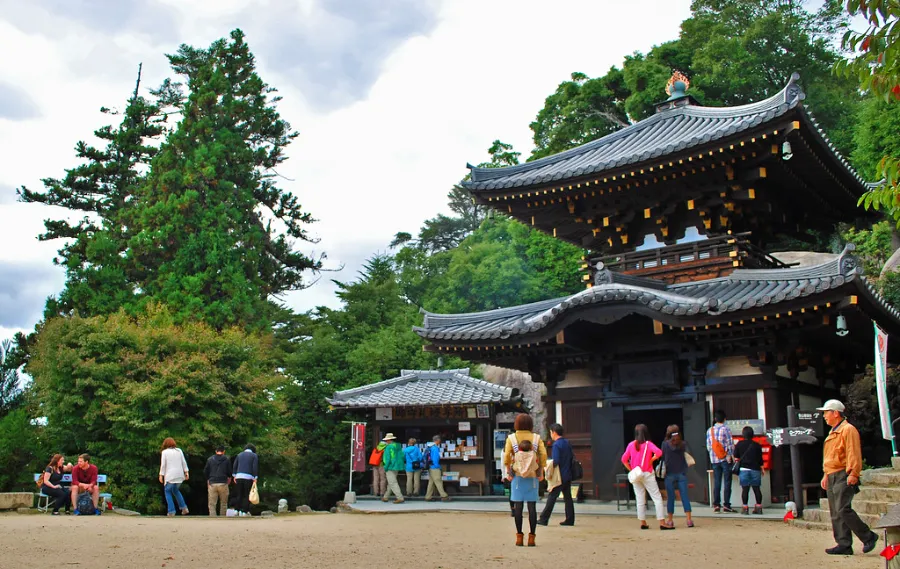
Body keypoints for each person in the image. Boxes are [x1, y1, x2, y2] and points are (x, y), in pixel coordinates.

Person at [818, 399, 879, 555]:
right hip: (832, 473)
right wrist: (826, 474)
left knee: (843, 509)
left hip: (842, 473)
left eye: (826, 412)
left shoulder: (848, 429)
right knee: (835, 512)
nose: (824, 416)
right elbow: (829, 456)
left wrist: (853, 473)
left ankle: (868, 536)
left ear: (835, 413)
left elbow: (853, 452)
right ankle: (843, 543)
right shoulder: (834, 431)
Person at [503, 413, 547, 547]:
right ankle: (532, 537)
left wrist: (508, 470)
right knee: (532, 507)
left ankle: (519, 537)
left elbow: (506, 457)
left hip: (517, 477)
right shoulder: (536, 438)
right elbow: (543, 454)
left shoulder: (511, 438)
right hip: (532, 477)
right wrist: (541, 471)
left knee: (518, 507)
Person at [622, 424, 670, 530]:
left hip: (637, 475)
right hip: (647, 473)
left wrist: (632, 469)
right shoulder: (648, 444)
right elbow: (659, 452)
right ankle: (662, 522)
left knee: (639, 499)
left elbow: (624, 459)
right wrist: (652, 460)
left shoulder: (631, 445)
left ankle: (643, 522)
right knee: (656, 497)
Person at [537, 423, 574, 527]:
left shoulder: (556, 445)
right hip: (568, 473)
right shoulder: (567, 442)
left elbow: (556, 460)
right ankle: (570, 519)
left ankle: (544, 519)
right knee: (568, 498)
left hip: (559, 475)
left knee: (552, 496)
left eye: (551, 432)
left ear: (554, 432)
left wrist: (548, 464)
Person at [661, 424, 693, 528]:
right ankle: (689, 520)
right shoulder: (683, 444)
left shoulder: (665, 444)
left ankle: (670, 520)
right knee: (684, 496)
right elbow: (689, 454)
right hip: (682, 473)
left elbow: (662, 457)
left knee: (670, 497)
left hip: (669, 473)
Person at [706, 409, 735, 513]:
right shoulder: (726, 429)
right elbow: (730, 445)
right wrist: (730, 455)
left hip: (714, 460)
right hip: (725, 459)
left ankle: (716, 505)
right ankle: (726, 505)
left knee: (717, 481)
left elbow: (709, 447)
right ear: (725, 419)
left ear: (715, 419)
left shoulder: (710, 430)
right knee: (727, 481)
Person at [733, 426, 764, 515]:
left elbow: (736, 456)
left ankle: (745, 508)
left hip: (743, 470)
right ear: (752, 434)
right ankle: (758, 508)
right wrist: (762, 468)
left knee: (745, 489)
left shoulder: (739, 444)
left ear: (743, 434)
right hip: (755, 469)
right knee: (757, 489)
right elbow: (760, 459)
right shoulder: (757, 445)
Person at [159, 437, 190, 517]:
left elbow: (163, 465)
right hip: (180, 475)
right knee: (175, 490)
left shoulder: (165, 452)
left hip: (170, 475)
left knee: (167, 491)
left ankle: (171, 511)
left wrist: (161, 475)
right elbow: (183, 462)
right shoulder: (179, 451)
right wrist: (186, 472)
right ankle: (184, 508)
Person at [204, 445, 232, 517]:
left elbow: (205, 471)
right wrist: (229, 478)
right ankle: (222, 518)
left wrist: (208, 479)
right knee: (223, 503)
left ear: (216, 451)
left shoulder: (210, 459)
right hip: (223, 482)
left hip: (212, 482)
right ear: (224, 451)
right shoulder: (227, 459)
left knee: (212, 503)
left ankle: (213, 518)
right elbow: (229, 472)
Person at [233, 443, 259, 517]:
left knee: (239, 494)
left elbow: (235, 465)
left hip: (238, 476)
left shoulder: (239, 455)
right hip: (248, 477)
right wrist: (255, 477)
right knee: (246, 494)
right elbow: (254, 467)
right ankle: (244, 511)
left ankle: (236, 510)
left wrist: (234, 475)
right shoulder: (254, 456)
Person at [424, 435, 451, 502]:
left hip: (430, 466)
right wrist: (438, 466)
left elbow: (424, 457)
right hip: (434, 467)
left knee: (431, 482)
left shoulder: (429, 447)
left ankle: (428, 496)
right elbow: (435, 459)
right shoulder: (435, 448)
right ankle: (444, 496)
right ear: (438, 440)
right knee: (438, 481)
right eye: (440, 440)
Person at [381, 433, 405, 504]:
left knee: (392, 482)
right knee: (391, 482)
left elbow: (387, 459)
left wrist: (385, 467)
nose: (386, 441)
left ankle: (400, 497)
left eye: (386, 440)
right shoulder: (398, 446)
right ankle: (386, 497)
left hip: (390, 467)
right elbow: (402, 456)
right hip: (397, 466)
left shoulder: (388, 447)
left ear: (388, 440)